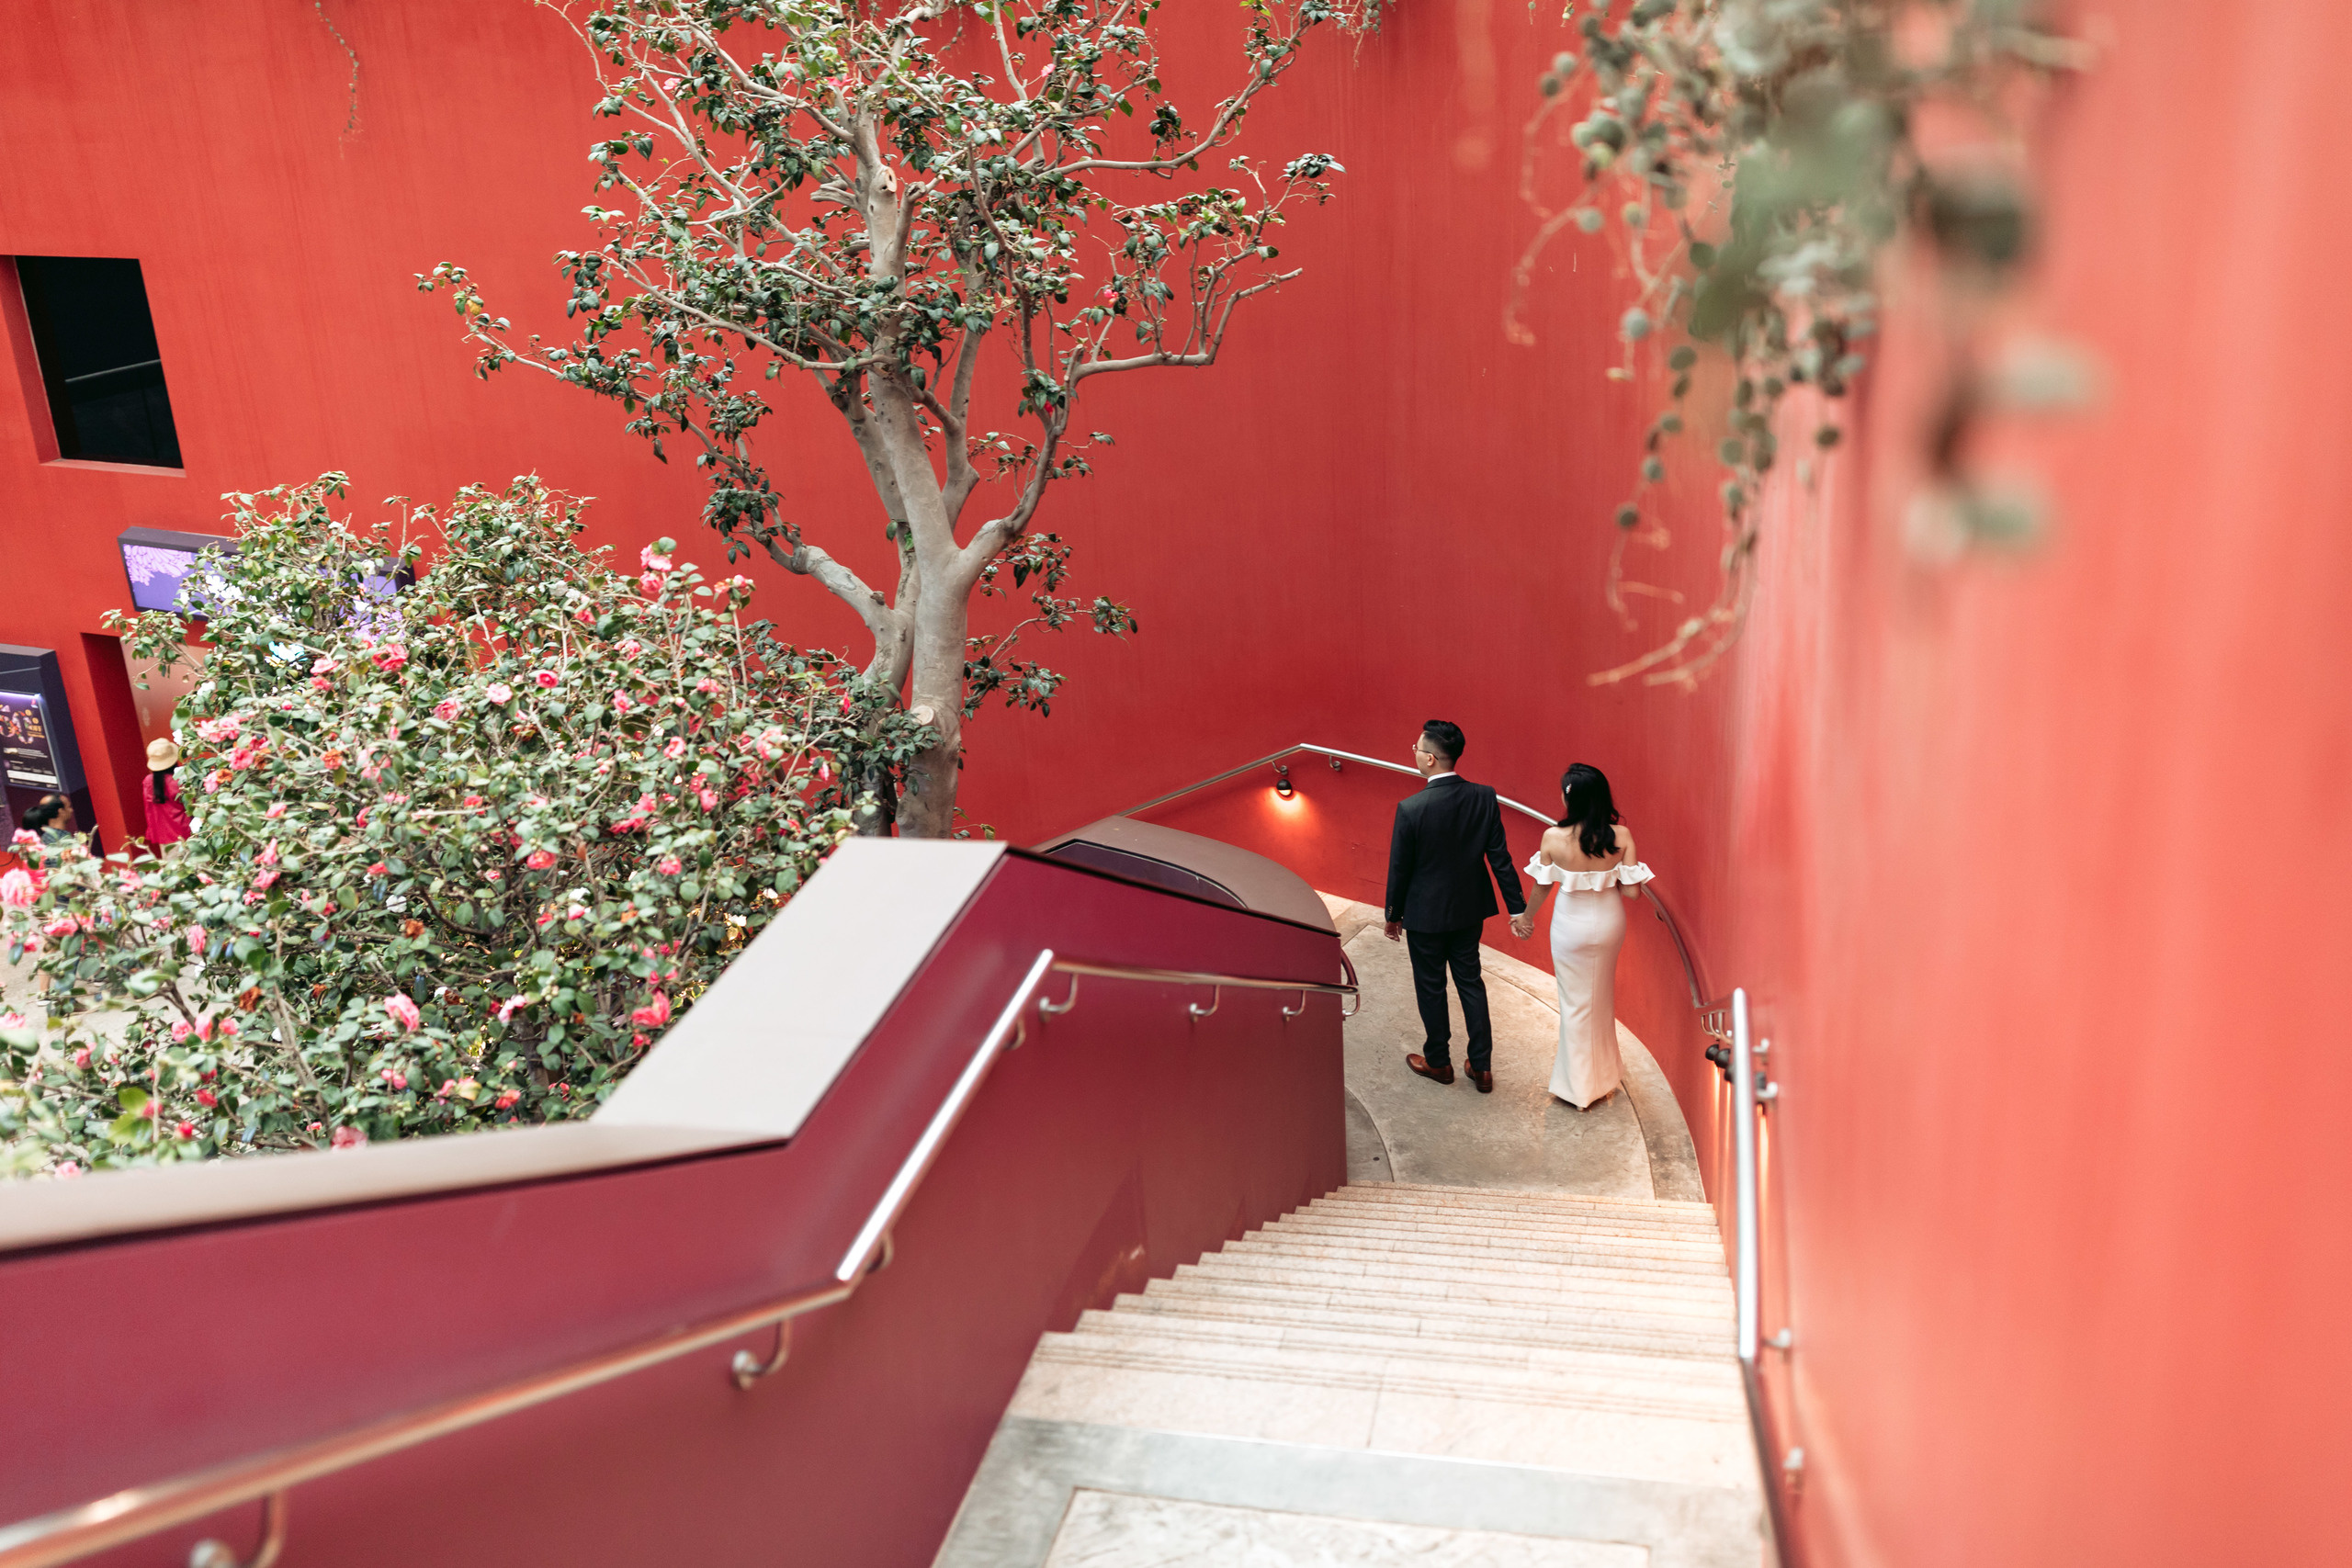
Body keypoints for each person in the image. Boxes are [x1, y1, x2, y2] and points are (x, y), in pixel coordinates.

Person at [1384, 719, 1528, 1095]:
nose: (1414, 753)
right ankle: (1482, 1067)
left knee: (1431, 987)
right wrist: (1517, 909)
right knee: (1471, 983)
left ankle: (1439, 1062)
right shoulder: (1484, 796)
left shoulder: (1411, 808)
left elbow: (1400, 868)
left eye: (1416, 748)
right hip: (1468, 911)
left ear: (1430, 758)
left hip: (1424, 916)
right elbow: (1500, 858)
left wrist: (1392, 915)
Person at [1523, 763, 1654, 1109]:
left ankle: (1578, 1088)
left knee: (1575, 1004)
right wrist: (1610, 873)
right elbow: (1632, 893)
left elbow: (1542, 886)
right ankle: (1605, 1079)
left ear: (1570, 798)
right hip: (1609, 922)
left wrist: (1526, 917)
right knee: (1601, 1000)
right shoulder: (1621, 836)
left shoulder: (1553, 837)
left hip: (1570, 925)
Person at [141, 739, 192, 848]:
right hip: (186, 835)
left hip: (164, 839)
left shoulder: (148, 782)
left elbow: (150, 812)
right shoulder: (179, 781)